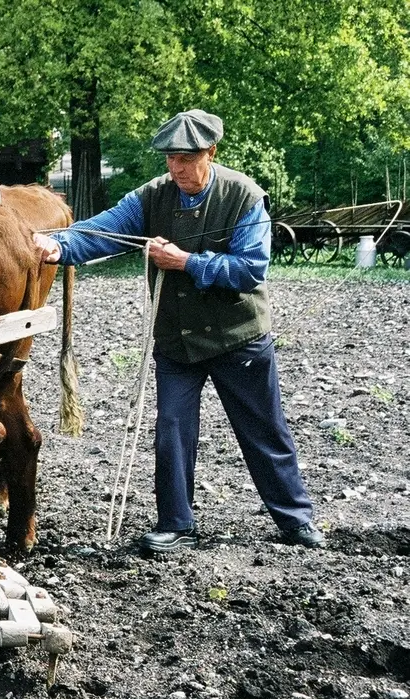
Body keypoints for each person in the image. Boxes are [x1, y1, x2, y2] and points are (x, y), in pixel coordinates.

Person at [35, 109, 324, 555]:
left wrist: (186, 262)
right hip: (176, 340)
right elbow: (106, 229)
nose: (176, 168)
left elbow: (250, 270)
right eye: (170, 158)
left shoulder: (244, 196)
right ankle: (175, 523)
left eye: (186, 158)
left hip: (238, 338)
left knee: (264, 430)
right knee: (171, 430)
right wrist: (62, 245)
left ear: (210, 151)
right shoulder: (153, 196)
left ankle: (295, 520)